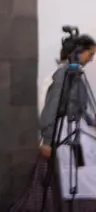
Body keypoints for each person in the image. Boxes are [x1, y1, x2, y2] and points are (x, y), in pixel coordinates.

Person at [10, 32, 96, 210]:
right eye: (91, 54)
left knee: (81, 174)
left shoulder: (77, 75)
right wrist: (47, 140)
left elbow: (81, 107)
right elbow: (52, 107)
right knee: (67, 178)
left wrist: (91, 120)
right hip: (64, 132)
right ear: (80, 52)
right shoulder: (63, 75)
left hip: (75, 130)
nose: (92, 59)